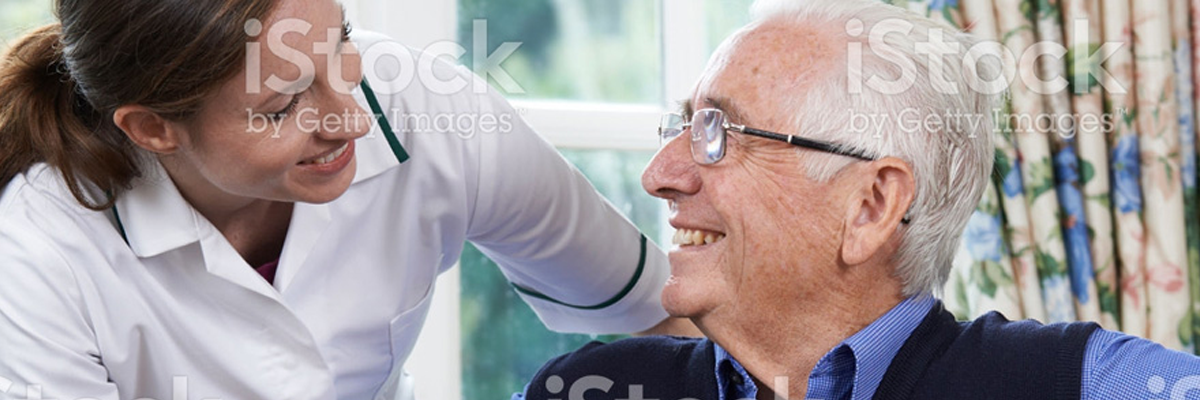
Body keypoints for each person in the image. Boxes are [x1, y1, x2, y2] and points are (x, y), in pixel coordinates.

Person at [0, 0, 697, 399]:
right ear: (153, 129)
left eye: (341, 46)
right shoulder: (37, 255)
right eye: (281, 107)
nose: (352, 118)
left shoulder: (432, 110)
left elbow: (668, 315)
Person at [517, 0, 1200, 399]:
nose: (660, 174)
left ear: (872, 206)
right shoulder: (587, 388)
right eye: (681, 126)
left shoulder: (1077, 383)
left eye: (718, 133)